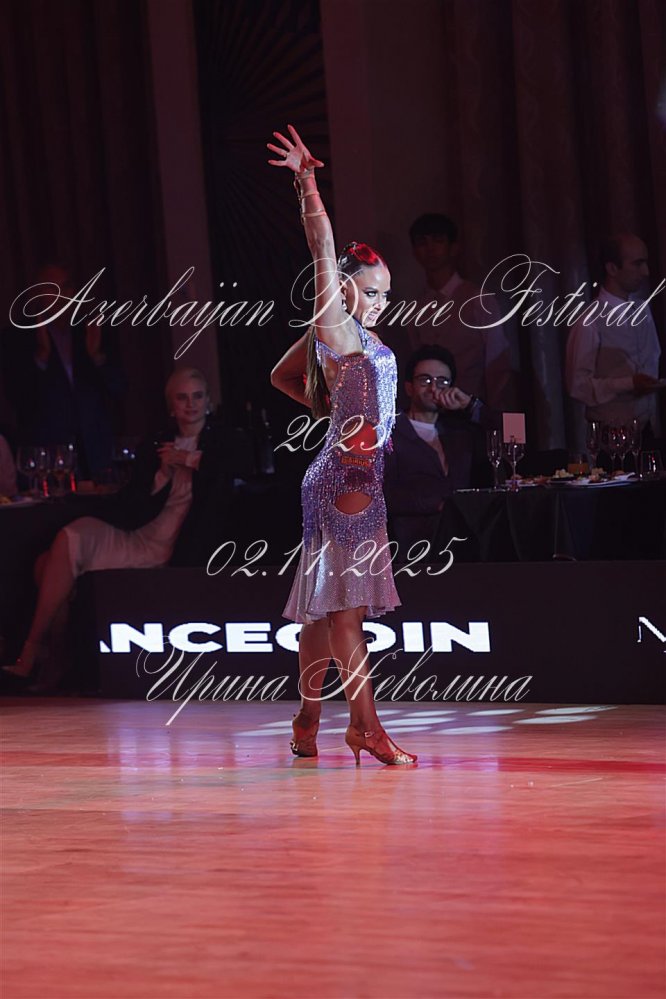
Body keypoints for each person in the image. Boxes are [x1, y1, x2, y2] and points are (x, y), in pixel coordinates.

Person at [268, 124, 416, 766]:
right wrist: (307, 182)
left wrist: (328, 410)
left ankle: (307, 721)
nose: (380, 303)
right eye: (371, 291)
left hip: (351, 473)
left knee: (322, 612)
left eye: (387, 294)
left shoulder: (356, 336)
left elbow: (282, 377)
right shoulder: (335, 323)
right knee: (346, 612)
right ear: (343, 286)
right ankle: (365, 726)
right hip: (346, 480)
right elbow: (321, 245)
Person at [3, 367, 233, 684]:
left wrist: (186, 459)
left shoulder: (223, 441)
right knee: (62, 546)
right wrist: (162, 473)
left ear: (208, 401)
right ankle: (49, 656)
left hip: (171, 542)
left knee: (51, 564)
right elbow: (133, 503)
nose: (191, 404)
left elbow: (228, 472)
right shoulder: (156, 443)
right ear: (171, 406)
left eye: (197, 396)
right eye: (182, 398)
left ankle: (39, 656)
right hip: (137, 531)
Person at [2, 263, 125, 478]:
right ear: (36, 294)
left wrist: (97, 357)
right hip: (47, 459)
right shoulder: (17, 337)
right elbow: (19, 400)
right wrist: (41, 357)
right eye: (52, 288)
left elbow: (119, 389)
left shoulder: (89, 331)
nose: (61, 295)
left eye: (66, 287)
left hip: (96, 454)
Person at [384, 345, 499, 553]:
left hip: (464, 543)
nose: (433, 389)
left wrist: (470, 405)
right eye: (425, 380)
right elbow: (384, 494)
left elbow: (510, 434)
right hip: (413, 546)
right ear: (409, 387)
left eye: (442, 381)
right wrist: (439, 503)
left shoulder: (459, 432)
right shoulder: (390, 432)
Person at [407, 213, 514, 410]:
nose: (430, 249)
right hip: (432, 412)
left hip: (473, 409)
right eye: (422, 242)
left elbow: (498, 366)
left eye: (438, 240)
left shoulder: (479, 300)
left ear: (453, 247)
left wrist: (491, 413)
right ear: (414, 251)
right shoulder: (416, 307)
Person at [565, 233, 662, 431]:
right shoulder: (590, 320)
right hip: (610, 432)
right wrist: (628, 384)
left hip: (648, 426)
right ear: (612, 269)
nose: (646, 272)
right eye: (637, 264)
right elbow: (577, 386)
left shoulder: (642, 310)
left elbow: (652, 359)